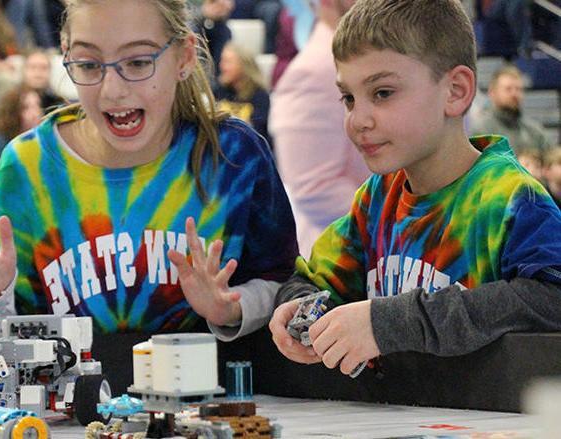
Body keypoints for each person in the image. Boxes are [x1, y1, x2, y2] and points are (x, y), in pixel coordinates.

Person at [177, 0, 561, 375]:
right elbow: (310, 280)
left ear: (456, 91)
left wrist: (388, 322)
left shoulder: (510, 197)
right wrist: (304, 311)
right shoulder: (375, 199)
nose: (357, 119)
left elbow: (551, 299)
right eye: (348, 98)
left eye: (382, 93)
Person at [0, 0, 297, 334]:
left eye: (137, 62)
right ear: (65, 55)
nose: (112, 90)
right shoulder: (27, 168)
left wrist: (231, 306)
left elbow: (282, 280)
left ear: (183, 57)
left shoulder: (233, 154)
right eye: (88, 64)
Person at [269, 0, 370, 257]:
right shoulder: (314, 70)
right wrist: (403, 220)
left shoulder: (362, 58)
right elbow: (314, 188)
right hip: (343, 257)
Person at [469, 65, 552, 155]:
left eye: (518, 89)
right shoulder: (481, 131)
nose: (514, 94)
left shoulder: (534, 132)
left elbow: (551, 160)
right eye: (508, 89)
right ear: (492, 92)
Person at [214, 42, 271, 147]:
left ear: (243, 65)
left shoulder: (260, 96)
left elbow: (256, 133)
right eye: (222, 60)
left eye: (228, 62)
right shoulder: (219, 91)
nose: (222, 66)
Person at [0, 85, 44, 176]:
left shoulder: (46, 141)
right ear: (13, 112)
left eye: (37, 106)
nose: (35, 113)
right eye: (26, 108)